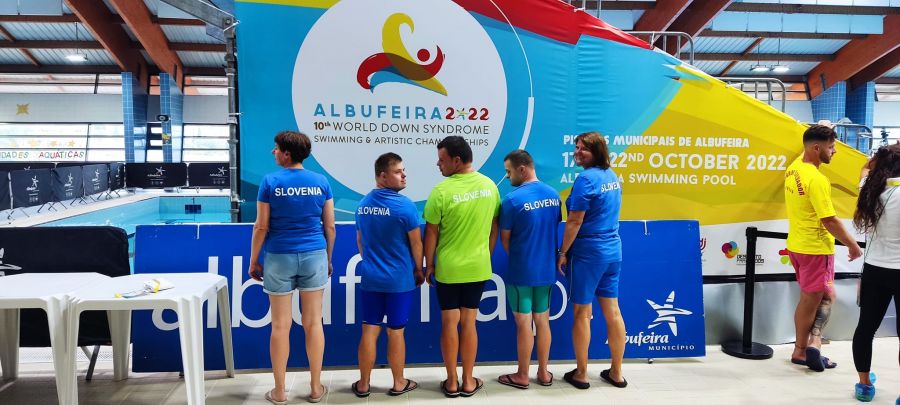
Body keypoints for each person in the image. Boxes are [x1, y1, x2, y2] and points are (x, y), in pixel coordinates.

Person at [248, 130, 334, 404]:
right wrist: (328, 258)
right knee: (313, 323)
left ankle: (280, 391)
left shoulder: (270, 182)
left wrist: (253, 260)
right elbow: (330, 227)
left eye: (276, 148)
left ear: (287, 153)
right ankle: (316, 388)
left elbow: (261, 226)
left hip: (279, 256)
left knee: (280, 325)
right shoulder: (321, 182)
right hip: (314, 254)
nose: (273, 152)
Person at [423, 135, 500, 397]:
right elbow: (494, 227)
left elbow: (431, 232)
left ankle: (452, 381)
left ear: (456, 160)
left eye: (441, 160)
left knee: (449, 323)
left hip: (449, 268)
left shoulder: (441, 191)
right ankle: (468, 381)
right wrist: (486, 254)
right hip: (478, 267)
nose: (438, 164)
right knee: (469, 323)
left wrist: (429, 264)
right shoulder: (490, 186)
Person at [784, 124, 863, 372]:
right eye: (831, 147)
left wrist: (824, 128)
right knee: (812, 300)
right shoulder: (817, 180)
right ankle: (803, 350)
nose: (835, 151)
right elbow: (829, 220)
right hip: (815, 249)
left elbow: (807, 144)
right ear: (817, 148)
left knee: (823, 297)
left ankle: (811, 345)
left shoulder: (794, 168)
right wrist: (853, 246)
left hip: (797, 246)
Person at [556, 132, 627, 390]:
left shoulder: (585, 179)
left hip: (588, 253)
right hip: (612, 251)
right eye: (576, 147)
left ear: (596, 151)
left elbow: (575, 221)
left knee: (582, 313)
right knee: (613, 312)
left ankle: (582, 373)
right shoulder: (611, 176)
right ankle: (616, 373)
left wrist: (563, 252)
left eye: (583, 148)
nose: (577, 152)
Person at [353, 153, 424, 397]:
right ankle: (398, 382)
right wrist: (418, 269)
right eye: (398, 172)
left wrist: (373, 263)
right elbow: (416, 243)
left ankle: (363, 384)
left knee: (369, 330)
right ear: (382, 176)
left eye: (403, 170)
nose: (404, 175)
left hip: (371, 278)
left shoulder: (362, 205)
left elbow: (360, 242)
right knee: (396, 332)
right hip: (399, 281)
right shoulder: (405, 206)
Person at [496, 150, 560, 390]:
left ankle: (523, 375)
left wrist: (522, 257)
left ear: (522, 169)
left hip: (521, 271)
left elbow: (505, 239)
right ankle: (543, 372)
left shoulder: (512, 200)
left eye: (509, 171)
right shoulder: (554, 196)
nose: (507, 176)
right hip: (546, 270)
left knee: (524, 323)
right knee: (542, 321)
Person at [851, 144, 900, 402]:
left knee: (865, 329)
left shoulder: (870, 190)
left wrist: (879, 158)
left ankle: (864, 385)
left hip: (874, 271)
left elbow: (864, 169)